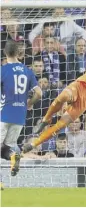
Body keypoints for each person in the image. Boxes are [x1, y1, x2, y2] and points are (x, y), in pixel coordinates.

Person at [0, 40, 42, 179]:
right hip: (19, 116)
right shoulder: (27, 71)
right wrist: (29, 103)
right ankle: (13, 156)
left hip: (3, 114)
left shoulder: (3, 70)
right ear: (19, 53)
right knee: (6, 148)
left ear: (5, 52)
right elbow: (39, 93)